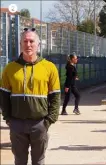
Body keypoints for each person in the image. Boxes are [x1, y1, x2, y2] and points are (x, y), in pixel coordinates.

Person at [0, 28, 61, 165]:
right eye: (25, 41)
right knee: (19, 161)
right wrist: (9, 119)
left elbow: (55, 97)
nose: (28, 45)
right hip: (17, 124)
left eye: (31, 41)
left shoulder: (49, 67)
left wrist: (49, 121)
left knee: (38, 161)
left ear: (38, 45)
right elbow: (3, 97)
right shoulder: (10, 69)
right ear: (21, 44)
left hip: (40, 124)